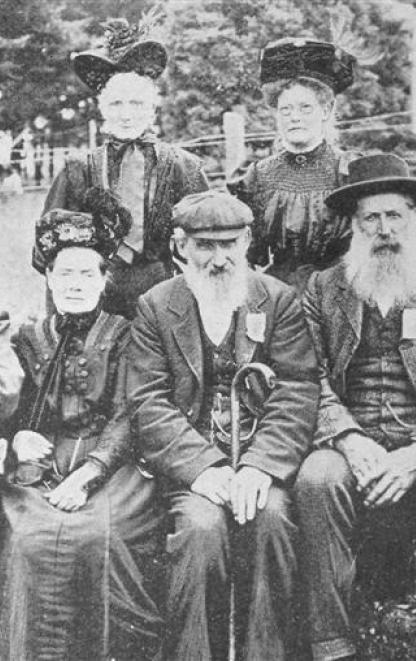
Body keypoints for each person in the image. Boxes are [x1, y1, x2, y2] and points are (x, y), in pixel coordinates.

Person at [296, 153, 416, 661]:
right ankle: (331, 645)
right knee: (317, 477)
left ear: (414, 217)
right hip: (350, 440)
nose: (385, 229)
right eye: (372, 218)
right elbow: (306, 376)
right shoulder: (323, 288)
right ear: (354, 225)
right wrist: (347, 436)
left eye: (395, 216)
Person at [127, 190, 319, 660]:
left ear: (248, 240)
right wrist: (204, 468)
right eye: (205, 246)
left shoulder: (277, 301)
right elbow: (146, 400)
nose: (219, 259)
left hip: (259, 461)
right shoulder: (156, 305)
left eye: (230, 244)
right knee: (199, 529)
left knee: (271, 519)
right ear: (181, 246)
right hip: (193, 468)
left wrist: (261, 466)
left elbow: (297, 390)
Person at [0, 209, 165, 660]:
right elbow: (13, 408)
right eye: (65, 273)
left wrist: (88, 474)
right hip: (40, 465)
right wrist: (16, 440)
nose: (75, 283)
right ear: (49, 278)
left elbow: (130, 413)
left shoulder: (127, 333)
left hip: (114, 468)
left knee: (95, 537)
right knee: (29, 539)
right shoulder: (27, 336)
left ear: (103, 279)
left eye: (86, 273)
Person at [36, 17, 209, 318]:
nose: (126, 114)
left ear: (152, 108)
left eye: (136, 103)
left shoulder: (183, 167)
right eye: (116, 104)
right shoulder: (78, 169)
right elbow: (47, 253)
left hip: (163, 293)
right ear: (103, 109)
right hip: (96, 298)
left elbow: (208, 242)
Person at [228, 38, 357, 295]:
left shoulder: (348, 170)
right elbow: (247, 253)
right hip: (277, 297)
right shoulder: (258, 175)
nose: (294, 117)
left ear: (326, 110)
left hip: (340, 294)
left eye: (305, 107)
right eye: (285, 109)